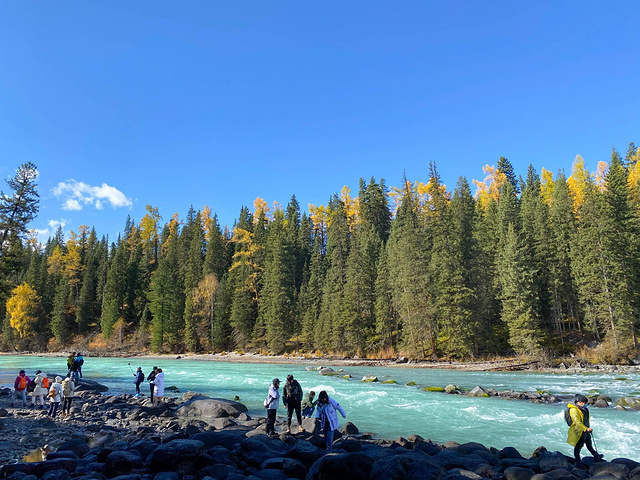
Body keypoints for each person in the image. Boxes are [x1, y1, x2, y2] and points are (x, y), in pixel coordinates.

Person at [567, 394, 604, 468]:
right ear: (580, 402)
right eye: (584, 403)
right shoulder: (573, 410)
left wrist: (587, 428)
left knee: (589, 444)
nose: (585, 405)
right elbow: (577, 422)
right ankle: (578, 462)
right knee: (578, 447)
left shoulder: (583, 409)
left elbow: (585, 419)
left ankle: (596, 456)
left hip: (586, 430)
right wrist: (585, 428)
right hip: (579, 431)